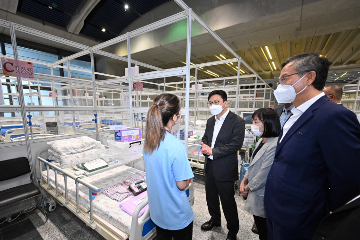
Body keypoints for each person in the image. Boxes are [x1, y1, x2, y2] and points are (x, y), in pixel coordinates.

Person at [264, 52, 360, 240]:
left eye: (285, 78)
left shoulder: (332, 116)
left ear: (309, 77)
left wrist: (323, 208)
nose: (280, 84)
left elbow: (351, 176)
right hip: (277, 209)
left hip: (302, 217)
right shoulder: (293, 113)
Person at [143, 93, 194, 240]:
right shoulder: (176, 145)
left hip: (157, 212)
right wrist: (188, 179)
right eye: (179, 114)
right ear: (175, 117)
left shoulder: (148, 143)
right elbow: (181, 184)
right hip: (176, 215)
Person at [200, 90, 245, 240]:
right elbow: (206, 137)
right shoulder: (210, 121)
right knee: (211, 196)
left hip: (225, 167)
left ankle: (233, 230)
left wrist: (213, 150)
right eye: (211, 103)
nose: (213, 105)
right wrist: (204, 146)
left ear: (225, 103)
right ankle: (215, 220)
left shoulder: (237, 121)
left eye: (216, 102)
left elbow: (235, 145)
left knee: (227, 200)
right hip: (210, 165)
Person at [240, 108, 281, 240]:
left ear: (268, 123)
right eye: (253, 121)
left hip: (263, 194)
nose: (253, 125)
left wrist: (247, 187)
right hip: (254, 191)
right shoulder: (260, 141)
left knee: (265, 231)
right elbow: (252, 164)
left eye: (256, 122)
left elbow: (265, 173)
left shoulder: (274, 144)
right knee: (260, 225)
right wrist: (244, 179)